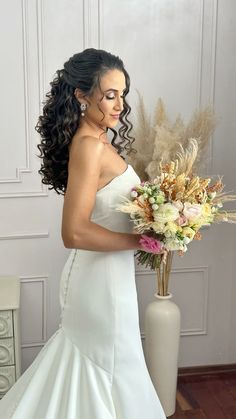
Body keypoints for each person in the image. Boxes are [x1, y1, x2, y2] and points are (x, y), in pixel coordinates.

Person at [0, 48, 166, 419]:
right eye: (109, 95)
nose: (119, 104)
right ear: (81, 95)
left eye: (121, 94)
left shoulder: (98, 141)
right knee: (109, 365)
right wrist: (142, 242)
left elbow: (109, 210)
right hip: (99, 282)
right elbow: (73, 232)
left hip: (110, 276)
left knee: (110, 364)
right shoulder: (90, 146)